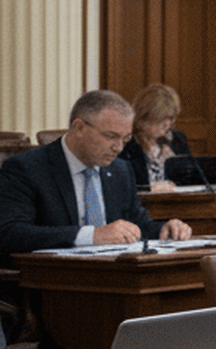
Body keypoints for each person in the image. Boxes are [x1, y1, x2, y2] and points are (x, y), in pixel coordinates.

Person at [0, 90, 191, 262]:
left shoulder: (121, 170)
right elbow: (10, 233)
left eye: (125, 139)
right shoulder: (27, 168)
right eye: (110, 136)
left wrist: (164, 229)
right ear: (79, 128)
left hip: (116, 274)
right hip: (55, 277)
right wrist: (91, 235)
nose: (119, 147)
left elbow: (138, 224)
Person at [118, 83, 204, 187]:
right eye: (161, 118)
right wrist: (150, 188)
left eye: (171, 118)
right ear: (144, 117)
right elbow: (120, 184)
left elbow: (191, 178)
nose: (167, 123)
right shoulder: (126, 142)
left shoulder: (177, 139)